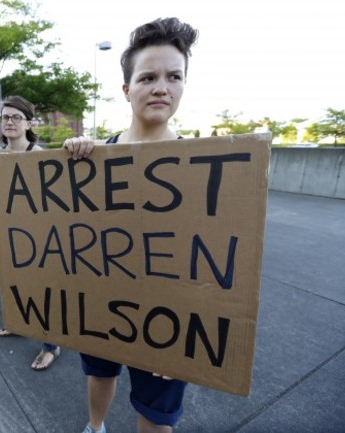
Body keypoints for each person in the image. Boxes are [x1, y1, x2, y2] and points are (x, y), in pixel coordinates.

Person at [63, 17, 199, 433]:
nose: (162, 87)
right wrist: (74, 156)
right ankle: (95, 427)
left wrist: (186, 337)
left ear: (183, 85)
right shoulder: (94, 157)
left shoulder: (201, 166)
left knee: (157, 414)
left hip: (168, 318)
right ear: (127, 90)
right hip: (102, 305)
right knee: (99, 373)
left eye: (174, 76)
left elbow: (211, 257)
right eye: (149, 77)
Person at [0, 95, 61, 371]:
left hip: (41, 238)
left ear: (29, 123)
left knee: (43, 289)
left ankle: (51, 344)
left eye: (16, 117)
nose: (10, 122)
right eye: (6, 117)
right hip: (10, 234)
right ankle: (19, 323)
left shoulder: (40, 157)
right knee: (14, 283)